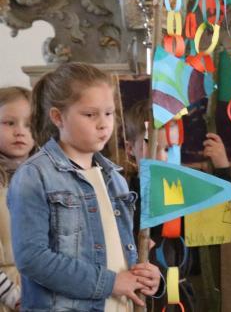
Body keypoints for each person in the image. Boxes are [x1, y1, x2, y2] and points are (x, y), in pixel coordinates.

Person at [8, 63, 160, 311]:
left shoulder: (116, 178)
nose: (103, 124)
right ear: (58, 117)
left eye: (109, 113)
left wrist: (146, 276)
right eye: (90, 115)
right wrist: (110, 283)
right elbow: (32, 259)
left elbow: (119, 252)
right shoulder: (34, 175)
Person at [123, 99, 231, 312]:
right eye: (153, 148)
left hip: (184, 294)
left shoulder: (188, 190)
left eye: (169, 149)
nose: (162, 158)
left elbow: (219, 218)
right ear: (130, 149)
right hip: (142, 294)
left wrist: (222, 167)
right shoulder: (126, 195)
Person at [0, 87, 36, 310]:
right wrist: (12, 295)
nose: (20, 132)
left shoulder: (45, 179)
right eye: (9, 123)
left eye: (29, 124)